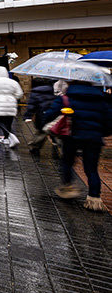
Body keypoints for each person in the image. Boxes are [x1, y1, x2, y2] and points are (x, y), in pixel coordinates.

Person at [44, 81, 112, 211]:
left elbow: (49, 114)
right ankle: (94, 199)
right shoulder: (101, 100)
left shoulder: (66, 98)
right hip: (94, 139)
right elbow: (109, 123)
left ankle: (68, 187)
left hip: (71, 137)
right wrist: (99, 133)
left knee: (67, 162)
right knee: (91, 169)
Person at [0, 66, 23, 148]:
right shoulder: (13, 82)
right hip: (11, 105)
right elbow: (19, 94)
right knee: (8, 122)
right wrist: (12, 98)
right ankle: (7, 139)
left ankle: (10, 135)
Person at [23, 78, 56, 158]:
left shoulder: (35, 92)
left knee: (41, 132)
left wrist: (27, 116)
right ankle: (61, 149)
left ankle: (35, 148)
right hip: (53, 114)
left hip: (41, 115)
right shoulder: (53, 90)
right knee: (56, 133)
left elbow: (32, 106)